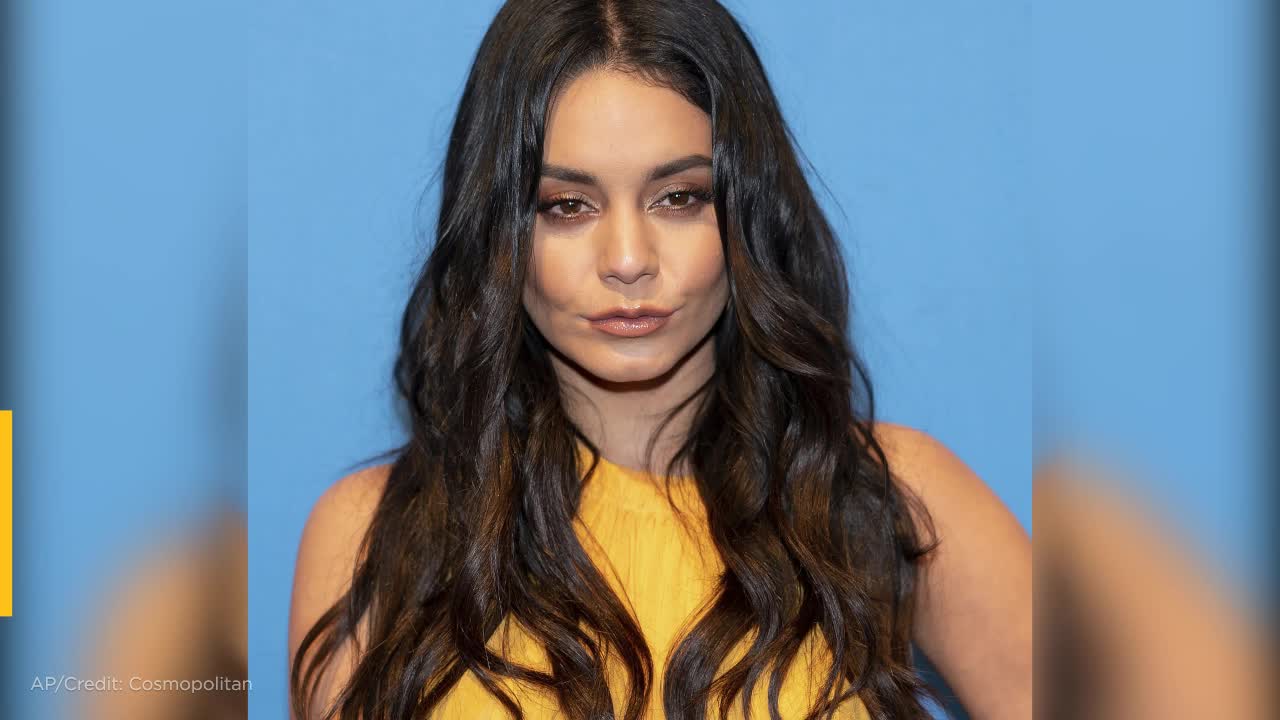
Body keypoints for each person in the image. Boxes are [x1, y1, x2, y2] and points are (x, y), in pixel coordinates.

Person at [288, 1, 1030, 718]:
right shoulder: (369, 536)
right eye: (567, 205)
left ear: (746, 213)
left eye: (679, 197)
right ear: (498, 232)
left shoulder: (890, 498)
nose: (627, 259)